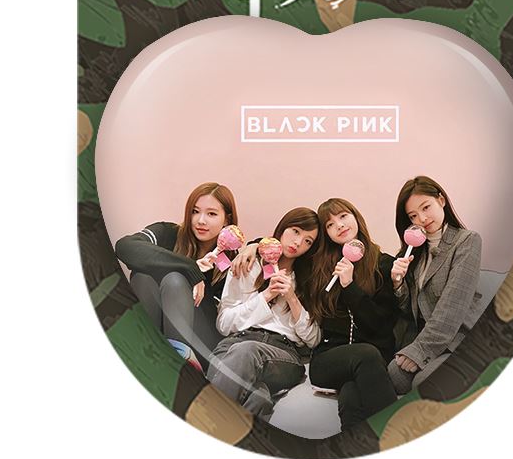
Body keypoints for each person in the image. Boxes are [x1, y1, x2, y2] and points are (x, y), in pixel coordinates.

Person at [206, 208, 321, 420]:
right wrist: (266, 296)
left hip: (282, 354)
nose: (298, 243)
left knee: (247, 351)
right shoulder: (246, 264)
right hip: (234, 344)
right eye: (295, 231)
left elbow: (313, 339)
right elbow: (224, 323)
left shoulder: (309, 281)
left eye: (308, 241)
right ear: (283, 228)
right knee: (258, 398)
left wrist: (292, 298)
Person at [114, 182, 238, 368]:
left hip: (203, 344)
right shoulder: (168, 233)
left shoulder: (230, 261)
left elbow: (224, 321)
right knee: (142, 276)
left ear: (226, 220)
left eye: (211, 214)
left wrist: (187, 276)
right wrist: (190, 268)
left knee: (175, 280)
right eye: (195, 211)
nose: (200, 221)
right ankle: (143, 349)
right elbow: (125, 246)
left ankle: (179, 363)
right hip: (156, 333)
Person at [306, 198, 399, 431]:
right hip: (329, 359)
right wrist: (253, 246)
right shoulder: (321, 267)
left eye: (343, 216)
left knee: (351, 397)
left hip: (373, 358)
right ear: (326, 234)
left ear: (355, 217)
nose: (339, 225)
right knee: (365, 355)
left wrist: (350, 287)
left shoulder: (383, 264)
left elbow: (380, 324)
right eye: (330, 224)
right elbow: (287, 245)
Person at [389, 176, 484, 394]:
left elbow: (453, 306)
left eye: (426, 207)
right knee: (394, 376)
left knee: (424, 383)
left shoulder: (467, 241)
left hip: (457, 338)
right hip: (424, 336)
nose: (422, 219)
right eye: (413, 216)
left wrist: (420, 350)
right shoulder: (415, 251)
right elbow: (409, 310)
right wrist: (398, 283)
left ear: (441, 200)